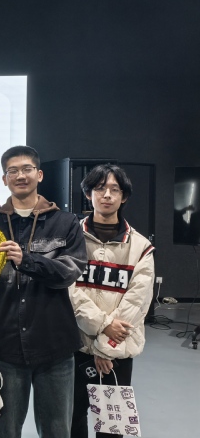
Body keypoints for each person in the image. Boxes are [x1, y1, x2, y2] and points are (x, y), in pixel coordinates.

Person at [0, 145, 87, 438]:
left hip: (55, 347)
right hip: (4, 349)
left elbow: (70, 272)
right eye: (13, 171)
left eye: (27, 169)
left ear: (39, 174)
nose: (20, 176)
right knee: (6, 430)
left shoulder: (66, 223)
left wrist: (27, 260)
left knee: (57, 430)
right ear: (4, 179)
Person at [69, 164, 155, 438]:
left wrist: (105, 348)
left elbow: (137, 302)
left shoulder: (141, 247)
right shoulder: (70, 239)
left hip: (117, 349)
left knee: (111, 424)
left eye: (114, 189)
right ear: (88, 194)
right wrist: (102, 325)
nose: (106, 195)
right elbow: (69, 291)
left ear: (124, 196)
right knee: (72, 418)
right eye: (99, 188)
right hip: (73, 345)